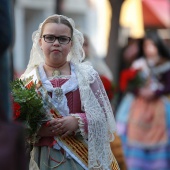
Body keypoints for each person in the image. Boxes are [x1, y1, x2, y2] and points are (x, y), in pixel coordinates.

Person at [20, 14, 119, 170]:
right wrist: (37, 129)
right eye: (50, 38)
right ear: (40, 41)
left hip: (80, 157)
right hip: (41, 159)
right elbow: (17, 122)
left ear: (71, 43)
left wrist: (77, 121)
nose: (56, 43)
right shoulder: (29, 80)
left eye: (63, 39)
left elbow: (104, 116)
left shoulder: (87, 76)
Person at [116, 30, 170, 170]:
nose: (149, 49)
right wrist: (140, 91)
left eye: (152, 45)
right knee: (131, 133)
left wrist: (156, 92)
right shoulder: (139, 64)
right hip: (138, 107)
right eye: (146, 46)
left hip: (160, 108)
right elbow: (129, 83)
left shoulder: (165, 64)